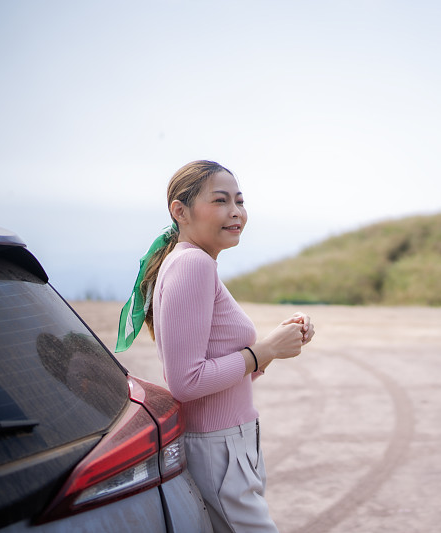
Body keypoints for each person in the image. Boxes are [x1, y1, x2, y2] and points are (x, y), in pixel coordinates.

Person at [116, 160, 315, 533]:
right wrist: (264, 351)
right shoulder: (193, 265)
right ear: (180, 211)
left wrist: (274, 346)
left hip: (230, 446)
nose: (235, 212)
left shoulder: (192, 263)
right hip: (219, 450)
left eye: (239, 201)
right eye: (221, 201)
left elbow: (215, 370)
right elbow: (186, 382)